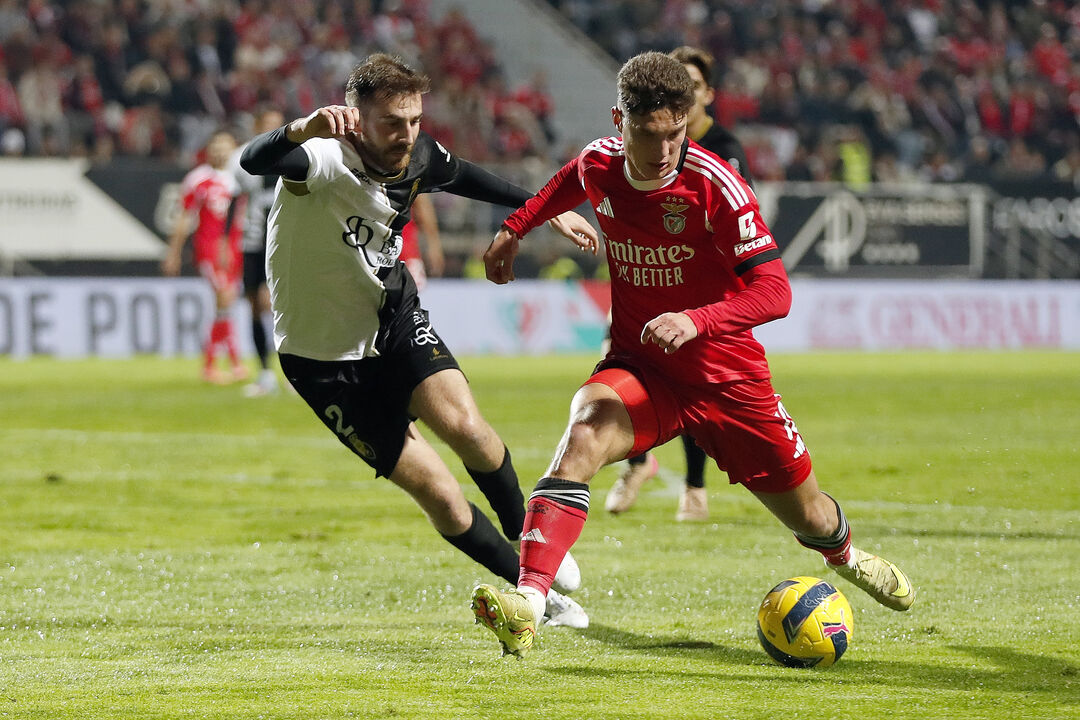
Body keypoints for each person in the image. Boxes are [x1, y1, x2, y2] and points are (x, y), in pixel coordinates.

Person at [471, 51, 915, 658]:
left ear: (689, 121)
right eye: (646, 135)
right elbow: (568, 181)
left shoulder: (714, 186)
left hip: (727, 377)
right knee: (582, 437)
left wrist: (696, 319)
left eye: (674, 134)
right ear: (618, 121)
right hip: (644, 367)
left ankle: (845, 555)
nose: (661, 151)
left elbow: (776, 291)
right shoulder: (601, 162)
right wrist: (515, 228)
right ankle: (529, 599)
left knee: (809, 516)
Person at [238, 54, 599, 627]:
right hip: (321, 360)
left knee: (471, 431)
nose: (407, 134)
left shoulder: (419, 154)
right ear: (356, 119)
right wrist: (303, 126)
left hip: (392, 318)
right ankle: (540, 598)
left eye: (413, 119)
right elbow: (254, 159)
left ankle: (535, 549)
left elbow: (474, 179)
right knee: (439, 492)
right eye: (392, 123)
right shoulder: (322, 159)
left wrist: (543, 212)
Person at [605, 45, 754, 523]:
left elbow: (736, 217)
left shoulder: (722, 149)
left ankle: (694, 486)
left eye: (690, 85)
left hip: (703, 284)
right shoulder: (637, 147)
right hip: (650, 271)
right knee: (624, 365)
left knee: (688, 381)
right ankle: (637, 462)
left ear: (705, 95)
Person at [163, 129, 248, 384]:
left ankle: (230, 364)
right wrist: (174, 253)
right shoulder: (197, 179)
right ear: (208, 150)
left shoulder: (242, 177)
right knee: (225, 298)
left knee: (226, 304)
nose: (220, 150)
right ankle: (213, 365)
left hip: (236, 249)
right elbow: (184, 218)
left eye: (226, 145)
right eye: (216, 145)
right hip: (210, 249)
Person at [228, 107, 286, 397]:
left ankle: (293, 371)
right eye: (268, 125)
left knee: (274, 306)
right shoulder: (240, 158)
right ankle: (265, 373)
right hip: (252, 242)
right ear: (257, 125)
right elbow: (232, 202)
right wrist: (227, 243)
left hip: (284, 240)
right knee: (253, 305)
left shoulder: (294, 155)